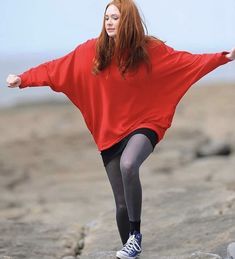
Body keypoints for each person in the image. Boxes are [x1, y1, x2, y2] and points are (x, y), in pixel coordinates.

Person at [6, 0, 235, 258]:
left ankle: (136, 236)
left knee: (129, 165)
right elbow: (56, 69)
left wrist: (223, 57)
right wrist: (23, 79)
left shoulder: (149, 50)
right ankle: (131, 248)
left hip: (145, 123)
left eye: (115, 17)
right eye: (107, 18)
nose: (110, 22)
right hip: (109, 133)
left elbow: (185, 62)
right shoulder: (91, 51)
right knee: (121, 203)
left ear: (127, 21)